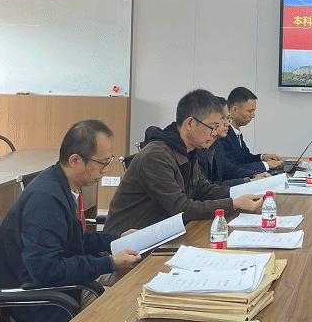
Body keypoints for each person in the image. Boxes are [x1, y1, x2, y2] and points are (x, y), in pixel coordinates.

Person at [0, 119, 142, 322]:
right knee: (130, 308)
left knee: (138, 279)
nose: (105, 170)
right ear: (75, 160)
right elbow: (46, 270)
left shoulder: (65, 184)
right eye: (102, 163)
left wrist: (117, 239)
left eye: (108, 161)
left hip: (65, 285)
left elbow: (74, 238)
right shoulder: (46, 200)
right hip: (47, 301)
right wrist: (109, 263)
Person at [104, 89, 264, 234]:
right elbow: (181, 209)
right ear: (190, 123)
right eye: (212, 127)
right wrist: (233, 203)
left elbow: (202, 189)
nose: (214, 133)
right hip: (129, 243)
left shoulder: (187, 150)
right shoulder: (157, 156)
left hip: (161, 234)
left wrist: (241, 194)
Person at [196, 96, 271, 184]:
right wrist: (249, 181)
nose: (227, 124)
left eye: (228, 118)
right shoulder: (197, 148)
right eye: (222, 118)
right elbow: (205, 187)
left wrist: (255, 175)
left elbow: (229, 170)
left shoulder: (216, 143)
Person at [219, 86, 283, 171]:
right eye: (250, 111)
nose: (253, 116)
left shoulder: (236, 133)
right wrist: (266, 165)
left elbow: (245, 158)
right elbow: (233, 168)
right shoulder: (223, 135)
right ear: (234, 110)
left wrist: (263, 157)